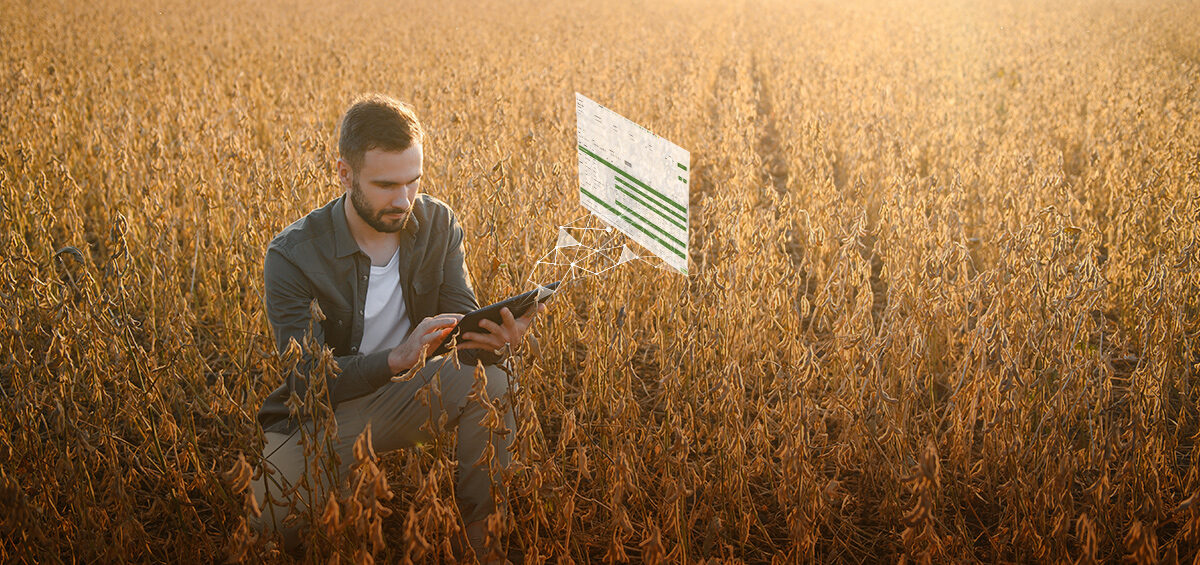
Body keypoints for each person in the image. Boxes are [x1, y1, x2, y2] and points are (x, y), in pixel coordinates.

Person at [249, 93, 541, 563]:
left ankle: (481, 546)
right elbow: (305, 376)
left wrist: (495, 340)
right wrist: (394, 359)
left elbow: (461, 320)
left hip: (413, 393)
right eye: (386, 185)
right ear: (344, 174)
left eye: (413, 182)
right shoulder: (292, 255)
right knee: (269, 531)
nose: (403, 200)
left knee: (493, 376)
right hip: (324, 416)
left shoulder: (438, 223)